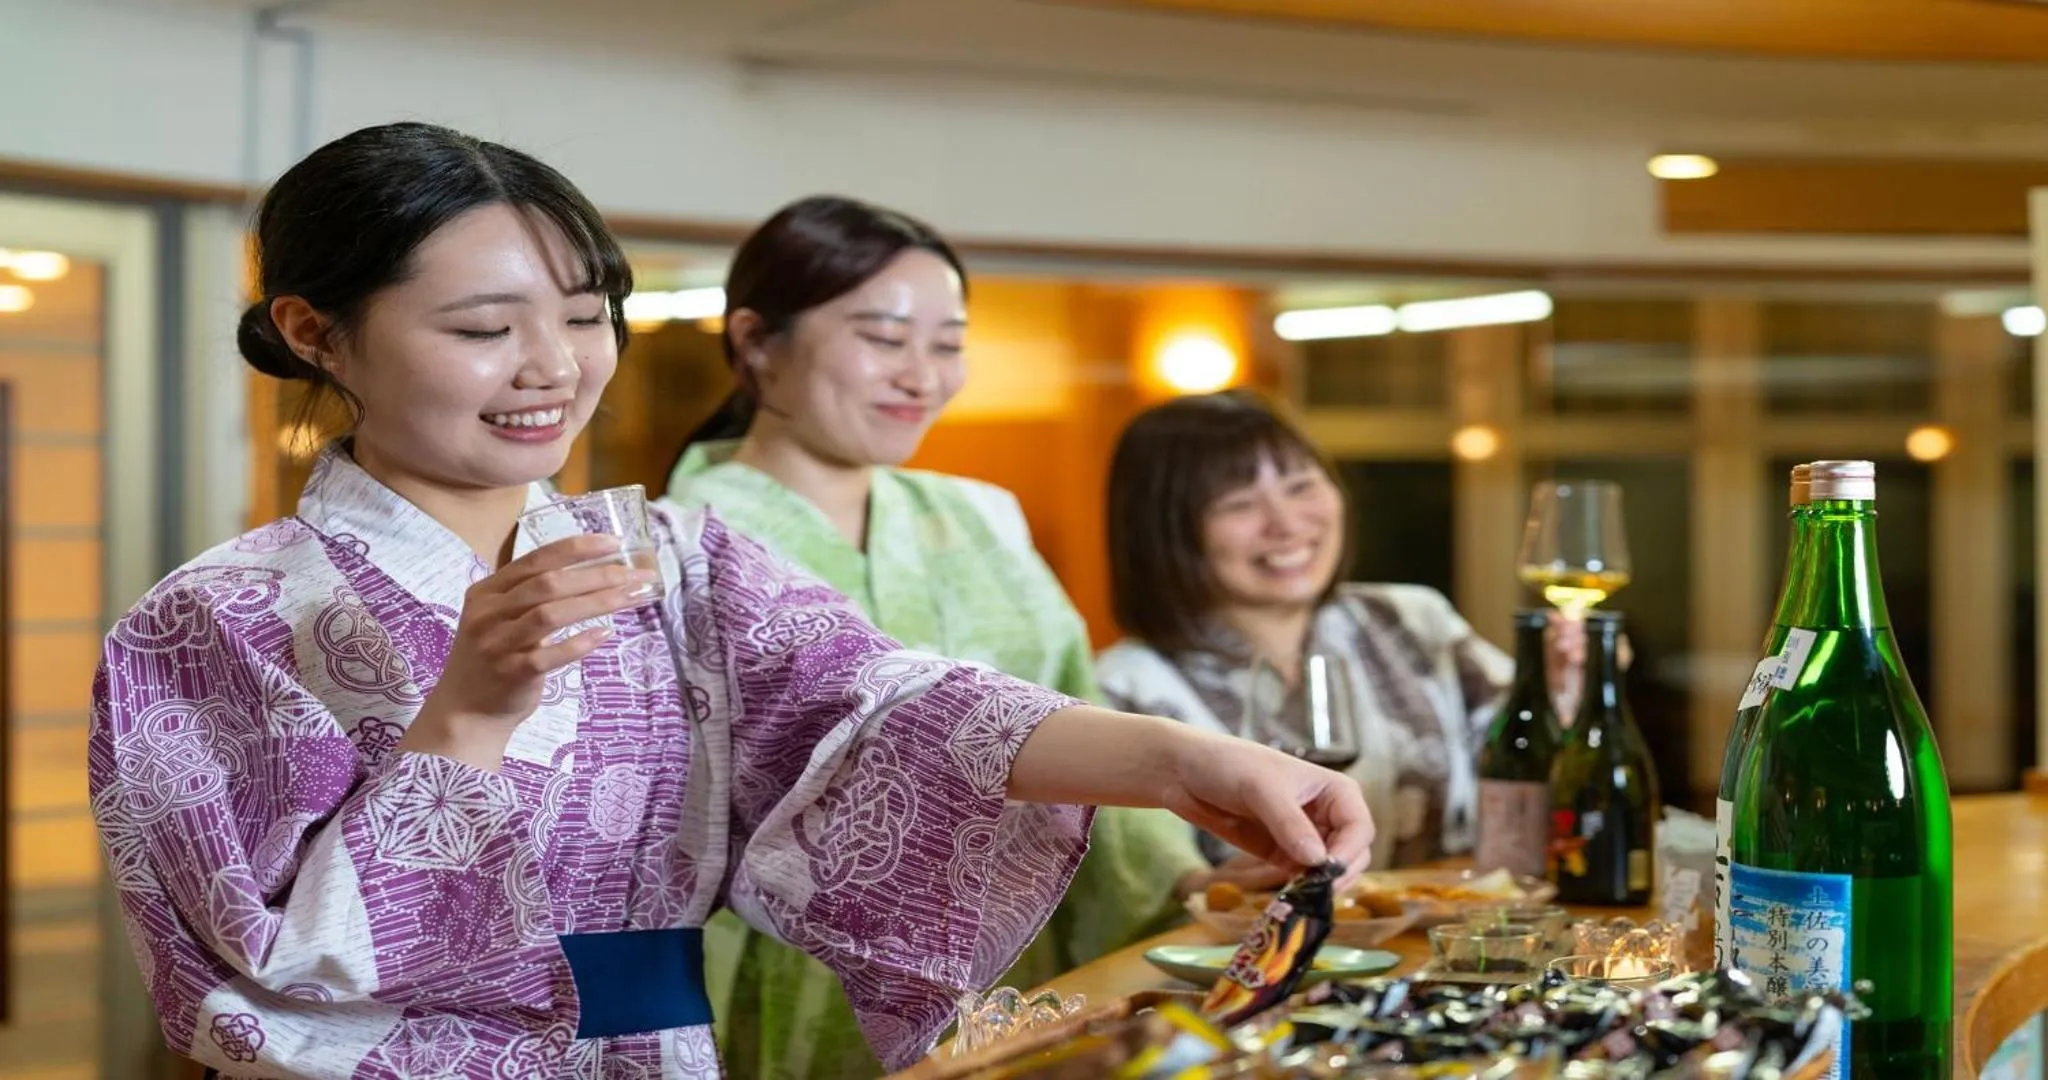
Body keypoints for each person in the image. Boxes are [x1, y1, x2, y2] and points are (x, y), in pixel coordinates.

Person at [87, 124, 1373, 1080]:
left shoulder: (677, 561)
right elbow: (264, 964)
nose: (551, 368)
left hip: (661, 1049)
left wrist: (1190, 761)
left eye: (586, 318)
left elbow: (890, 709)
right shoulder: (213, 622)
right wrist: (466, 716)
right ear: (315, 333)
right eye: (484, 329)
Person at [661, 196, 1273, 1079]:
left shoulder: (980, 517)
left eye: (947, 344)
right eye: (884, 338)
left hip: (1014, 960)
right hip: (800, 969)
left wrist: (1181, 880)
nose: (923, 375)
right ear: (757, 341)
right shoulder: (687, 543)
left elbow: (1073, 708)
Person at [1095, 390, 1569, 870]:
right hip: (1256, 943)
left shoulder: (1411, 619)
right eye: (1238, 504)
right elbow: (1133, 879)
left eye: (1301, 487)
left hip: (1446, 934)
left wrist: (1561, 688)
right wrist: (1204, 886)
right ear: (1163, 532)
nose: (1286, 524)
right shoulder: (1123, 689)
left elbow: (1531, 775)